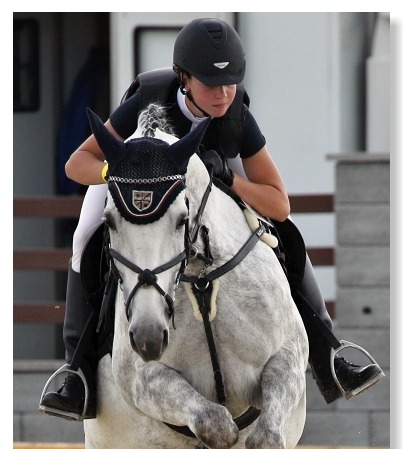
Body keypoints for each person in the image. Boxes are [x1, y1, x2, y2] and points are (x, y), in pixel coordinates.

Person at [39, 17, 384, 421]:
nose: (222, 94)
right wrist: (117, 173)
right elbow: (77, 163)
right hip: (136, 179)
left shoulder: (237, 116)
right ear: (184, 78)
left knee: (286, 234)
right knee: (85, 238)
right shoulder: (148, 98)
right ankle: (76, 371)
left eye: (230, 82)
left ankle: (330, 352)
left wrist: (230, 179)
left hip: (217, 178)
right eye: (210, 83)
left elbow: (279, 202)